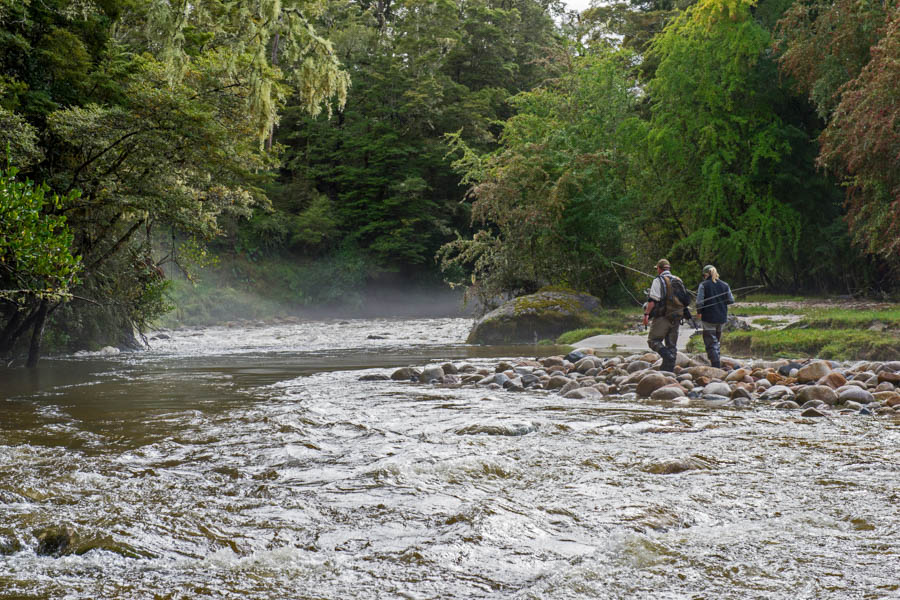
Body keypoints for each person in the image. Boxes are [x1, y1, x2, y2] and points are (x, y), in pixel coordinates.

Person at [642, 259, 690, 372]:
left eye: (657, 268)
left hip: (662, 316)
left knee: (653, 341)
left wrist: (646, 314)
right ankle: (668, 371)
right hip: (677, 316)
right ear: (668, 268)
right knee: (671, 345)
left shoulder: (658, 280)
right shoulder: (678, 279)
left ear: (659, 268)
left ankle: (667, 357)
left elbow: (652, 300)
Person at [695, 264, 734, 368]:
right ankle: (717, 363)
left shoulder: (703, 285)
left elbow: (699, 302)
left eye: (703, 275)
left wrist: (699, 312)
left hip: (708, 318)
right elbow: (731, 300)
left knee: (710, 342)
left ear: (706, 274)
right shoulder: (725, 285)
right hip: (721, 318)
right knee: (716, 342)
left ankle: (716, 365)